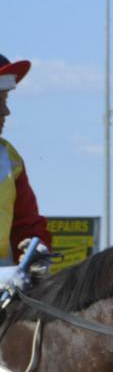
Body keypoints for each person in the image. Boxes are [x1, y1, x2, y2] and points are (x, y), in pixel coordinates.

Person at [0, 53, 52, 267]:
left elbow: (26, 224)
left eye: (5, 100)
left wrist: (34, 246)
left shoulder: (9, 158)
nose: (6, 111)